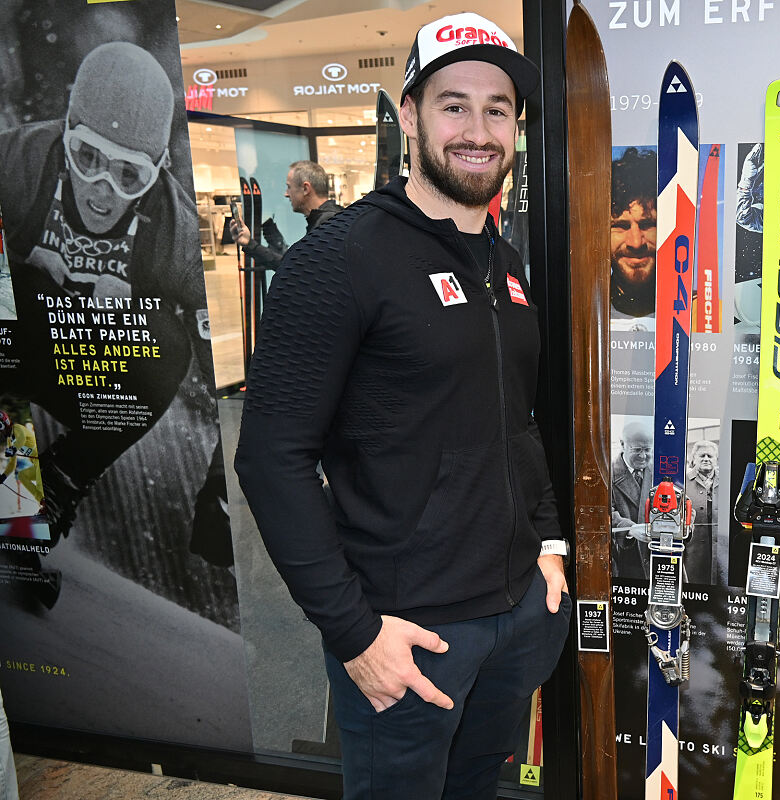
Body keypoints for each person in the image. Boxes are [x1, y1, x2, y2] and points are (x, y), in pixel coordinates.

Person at [235, 13, 569, 799]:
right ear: (411, 116)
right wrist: (353, 633)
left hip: (517, 612)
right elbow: (271, 460)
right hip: (406, 634)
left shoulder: (505, 261)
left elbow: (515, 420)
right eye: (455, 105)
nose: (478, 130)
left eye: (498, 109)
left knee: (479, 788)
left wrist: (548, 545)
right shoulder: (339, 257)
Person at [0, 42, 219, 605]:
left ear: (157, 176)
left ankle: (51, 492)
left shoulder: (174, 236)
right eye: (87, 157)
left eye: (128, 175)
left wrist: (218, 487)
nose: (102, 190)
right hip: (20, 346)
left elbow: (227, 362)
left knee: (168, 344)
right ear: (64, 131)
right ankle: (15, 507)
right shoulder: (17, 163)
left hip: (93, 377)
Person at [231, 160, 344, 269]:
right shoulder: (328, 219)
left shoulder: (327, 224)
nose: (286, 194)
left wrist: (251, 244)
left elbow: (295, 268)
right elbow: (294, 265)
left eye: (289, 187)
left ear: (305, 188)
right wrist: (249, 243)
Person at [610, 146, 657, 329]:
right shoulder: (580, 313)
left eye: (646, 225)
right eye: (621, 226)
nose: (636, 242)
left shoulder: (701, 314)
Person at [610, 419, 654, 579]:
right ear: (623, 444)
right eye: (637, 450)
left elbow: (683, 503)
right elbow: (606, 512)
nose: (643, 456)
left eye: (647, 449)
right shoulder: (608, 474)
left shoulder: (660, 470)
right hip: (627, 561)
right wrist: (628, 528)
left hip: (658, 558)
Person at [684, 440, 718, 584]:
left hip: (720, 551)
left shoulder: (726, 481)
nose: (706, 459)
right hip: (692, 552)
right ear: (693, 459)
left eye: (710, 456)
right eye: (701, 455)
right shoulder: (683, 482)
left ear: (716, 459)